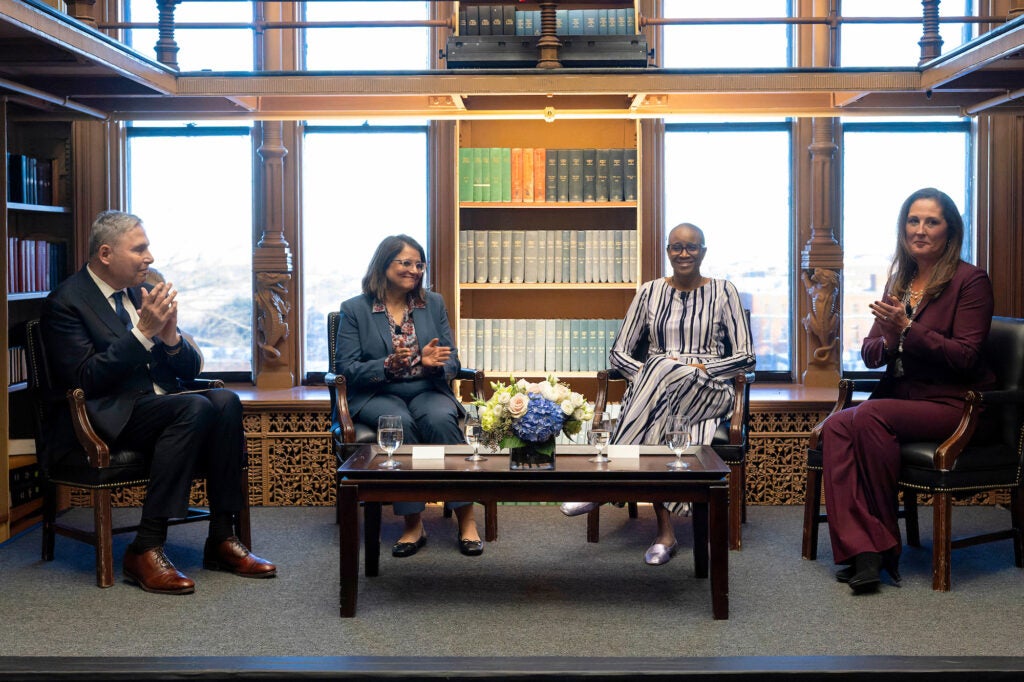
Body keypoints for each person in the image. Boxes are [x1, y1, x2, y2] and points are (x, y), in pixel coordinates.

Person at [40, 210, 276, 595]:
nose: (150, 258)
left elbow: (184, 371)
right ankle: (146, 547)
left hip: (158, 407)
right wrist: (142, 333)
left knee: (226, 401)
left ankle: (222, 537)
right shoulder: (65, 303)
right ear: (105, 254)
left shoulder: (139, 292)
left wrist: (169, 338)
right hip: (106, 416)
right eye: (140, 249)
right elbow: (85, 381)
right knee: (195, 407)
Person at [821, 187, 995, 594]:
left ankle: (880, 546)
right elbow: (870, 353)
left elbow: (966, 356)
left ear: (949, 231)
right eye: (912, 221)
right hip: (905, 399)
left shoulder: (971, 282)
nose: (920, 230)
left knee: (867, 415)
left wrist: (909, 330)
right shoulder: (899, 282)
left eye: (931, 221)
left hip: (956, 404)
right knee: (836, 427)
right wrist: (888, 340)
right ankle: (864, 551)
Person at [560, 223, 755, 565]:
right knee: (660, 404)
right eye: (676, 247)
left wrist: (696, 369)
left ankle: (600, 485)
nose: (683, 253)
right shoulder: (648, 292)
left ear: (703, 252)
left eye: (691, 247)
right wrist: (648, 375)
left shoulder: (724, 292)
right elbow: (619, 353)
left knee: (661, 367)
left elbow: (746, 357)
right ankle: (665, 536)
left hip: (709, 390)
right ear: (667, 252)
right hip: (659, 395)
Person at [335, 234, 483, 558]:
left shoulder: (433, 304)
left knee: (441, 420)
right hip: (378, 392)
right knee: (397, 424)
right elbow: (345, 367)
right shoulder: (355, 310)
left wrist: (434, 364)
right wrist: (388, 364)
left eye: (419, 264)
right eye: (405, 262)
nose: (414, 270)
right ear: (384, 265)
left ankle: (467, 519)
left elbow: (453, 361)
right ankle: (413, 523)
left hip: (426, 388)